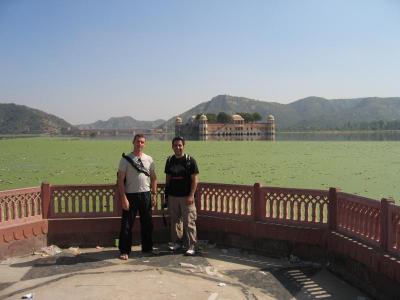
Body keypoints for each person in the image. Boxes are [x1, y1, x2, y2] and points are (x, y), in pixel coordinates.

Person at [117, 134, 157, 260]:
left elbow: (154, 178)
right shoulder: (125, 159)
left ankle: (147, 248)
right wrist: (123, 198)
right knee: (127, 224)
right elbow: (120, 180)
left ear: (145, 144)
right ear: (133, 142)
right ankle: (125, 250)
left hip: (146, 194)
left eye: (142, 142)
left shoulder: (149, 159)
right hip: (131, 195)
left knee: (147, 223)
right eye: (138, 142)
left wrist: (154, 194)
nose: (140, 144)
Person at [164, 136, 199, 256]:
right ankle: (177, 242)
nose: (178, 147)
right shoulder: (169, 160)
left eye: (180, 145)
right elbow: (168, 179)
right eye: (175, 145)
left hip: (186, 197)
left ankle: (191, 245)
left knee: (189, 221)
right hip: (173, 196)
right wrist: (166, 195)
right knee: (175, 220)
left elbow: (194, 180)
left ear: (184, 146)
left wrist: (191, 195)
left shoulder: (190, 160)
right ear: (172, 146)